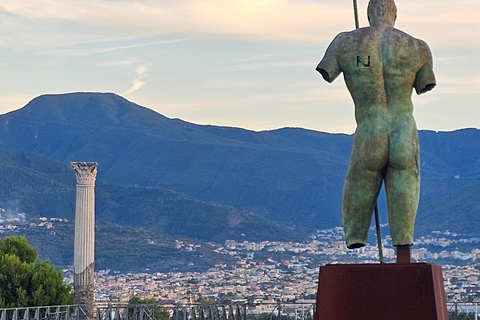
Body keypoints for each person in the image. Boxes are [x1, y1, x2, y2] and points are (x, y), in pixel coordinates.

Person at [316, 0, 436, 249]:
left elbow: (327, 70)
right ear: (394, 14)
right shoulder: (418, 47)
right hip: (403, 128)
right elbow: (425, 84)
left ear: (370, 12)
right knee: (406, 180)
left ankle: (356, 235)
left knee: (359, 179)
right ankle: (403, 240)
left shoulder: (345, 42)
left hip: (370, 129)